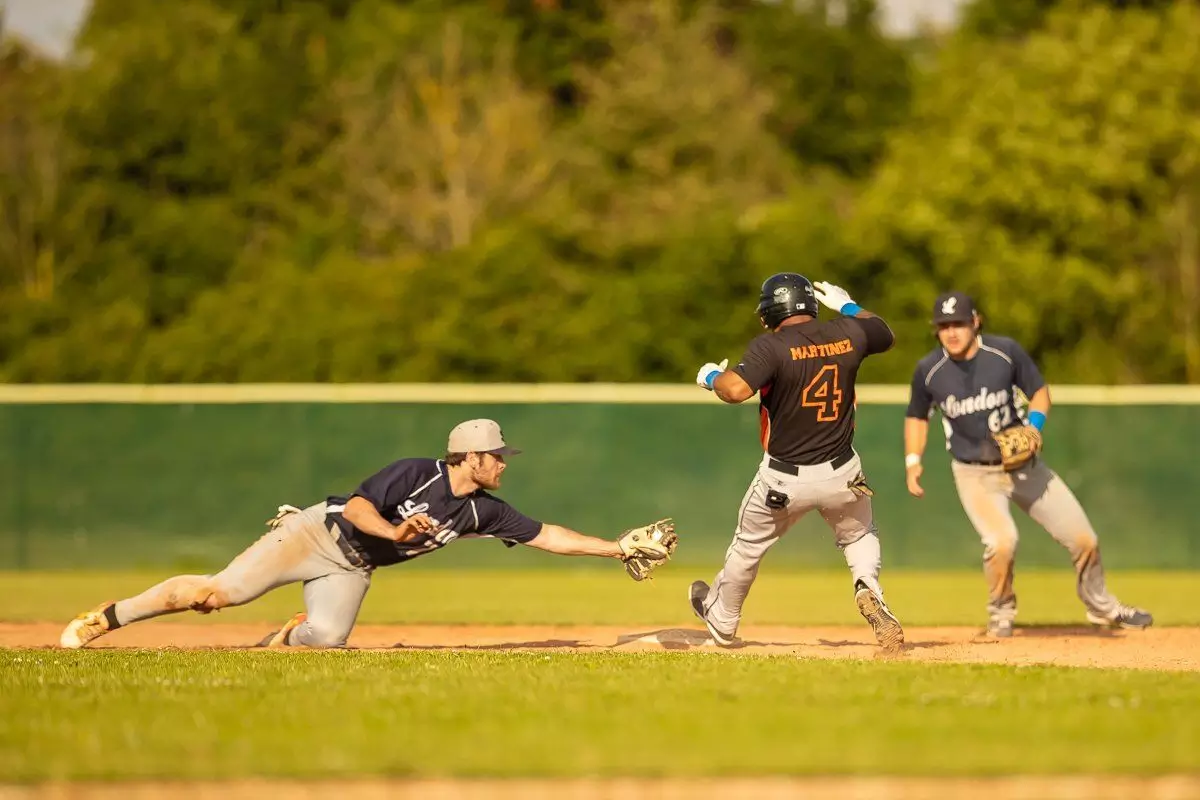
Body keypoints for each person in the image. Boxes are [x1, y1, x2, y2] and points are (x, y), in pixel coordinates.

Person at [60, 419, 667, 649]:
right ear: (468, 456)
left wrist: (617, 546)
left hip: (351, 569)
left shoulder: (484, 510)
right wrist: (398, 530)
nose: (504, 462)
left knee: (325, 641)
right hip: (313, 536)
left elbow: (548, 536)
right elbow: (354, 509)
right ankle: (105, 620)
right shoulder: (414, 472)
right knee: (216, 596)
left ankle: (285, 639)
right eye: (496, 454)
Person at [903, 290, 1153, 637]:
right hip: (975, 473)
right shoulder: (929, 371)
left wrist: (1033, 428)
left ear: (975, 322)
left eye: (959, 323)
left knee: (1084, 539)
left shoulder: (1004, 353)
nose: (952, 332)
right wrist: (913, 461)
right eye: (944, 326)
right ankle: (1001, 613)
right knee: (1001, 542)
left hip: (1026, 467)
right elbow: (916, 416)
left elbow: (1039, 392)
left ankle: (1103, 608)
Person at [688, 273, 905, 652]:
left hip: (783, 478)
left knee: (747, 547)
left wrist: (710, 376)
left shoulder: (770, 346)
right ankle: (868, 589)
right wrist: (848, 304)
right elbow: (883, 332)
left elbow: (735, 390)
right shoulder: (848, 332)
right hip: (843, 471)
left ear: (770, 313)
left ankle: (722, 620)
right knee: (858, 535)